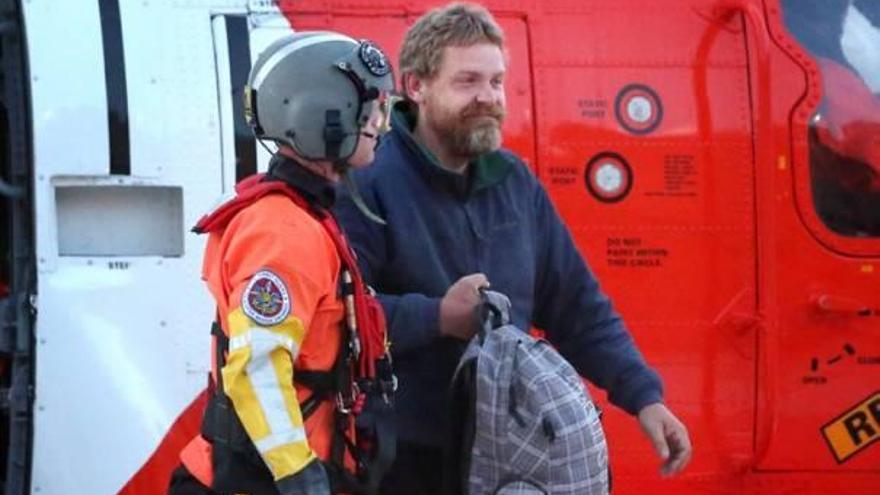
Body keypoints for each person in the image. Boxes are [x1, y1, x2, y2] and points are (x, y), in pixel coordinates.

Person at [334, 3, 692, 493]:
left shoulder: (516, 184)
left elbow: (578, 308)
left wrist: (644, 397)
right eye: (468, 82)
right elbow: (338, 316)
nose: (488, 97)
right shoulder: (366, 183)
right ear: (415, 87)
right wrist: (439, 316)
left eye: (496, 82)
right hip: (400, 465)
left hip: (509, 462)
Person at [168, 32, 396, 495]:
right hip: (266, 481)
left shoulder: (301, 217)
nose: (380, 125)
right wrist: (299, 477)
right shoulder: (282, 232)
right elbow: (257, 367)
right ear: (324, 117)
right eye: (370, 111)